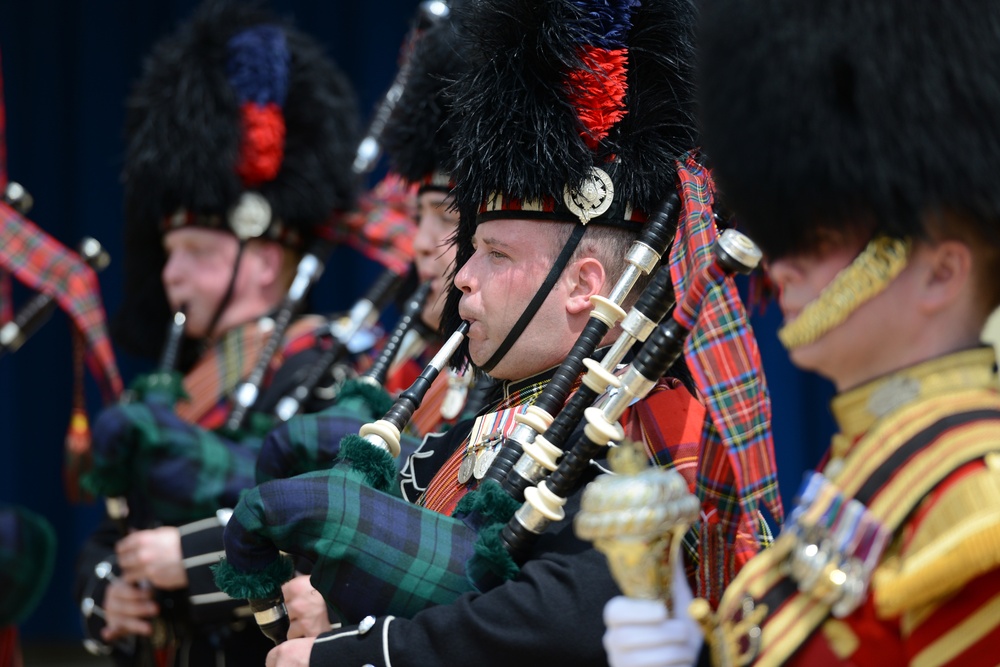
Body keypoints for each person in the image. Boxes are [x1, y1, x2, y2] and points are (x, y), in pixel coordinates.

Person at [228, 0, 777, 665]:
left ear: (585, 285)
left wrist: (361, 648)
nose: (461, 274)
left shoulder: (654, 422)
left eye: (496, 253)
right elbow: (456, 568)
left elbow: (573, 615)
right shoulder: (499, 409)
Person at [601, 1, 1000, 666]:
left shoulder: (971, 505)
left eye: (817, 238)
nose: (780, 260)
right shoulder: (870, 462)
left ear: (940, 274)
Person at [72, 1, 361, 664]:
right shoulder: (180, 383)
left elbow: (321, 533)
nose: (172, 276)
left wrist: (187, 563)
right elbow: (116, 528)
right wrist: (109, 587)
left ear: (262, 262)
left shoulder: (321, 368)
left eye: (197, 253)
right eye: (167, 254)